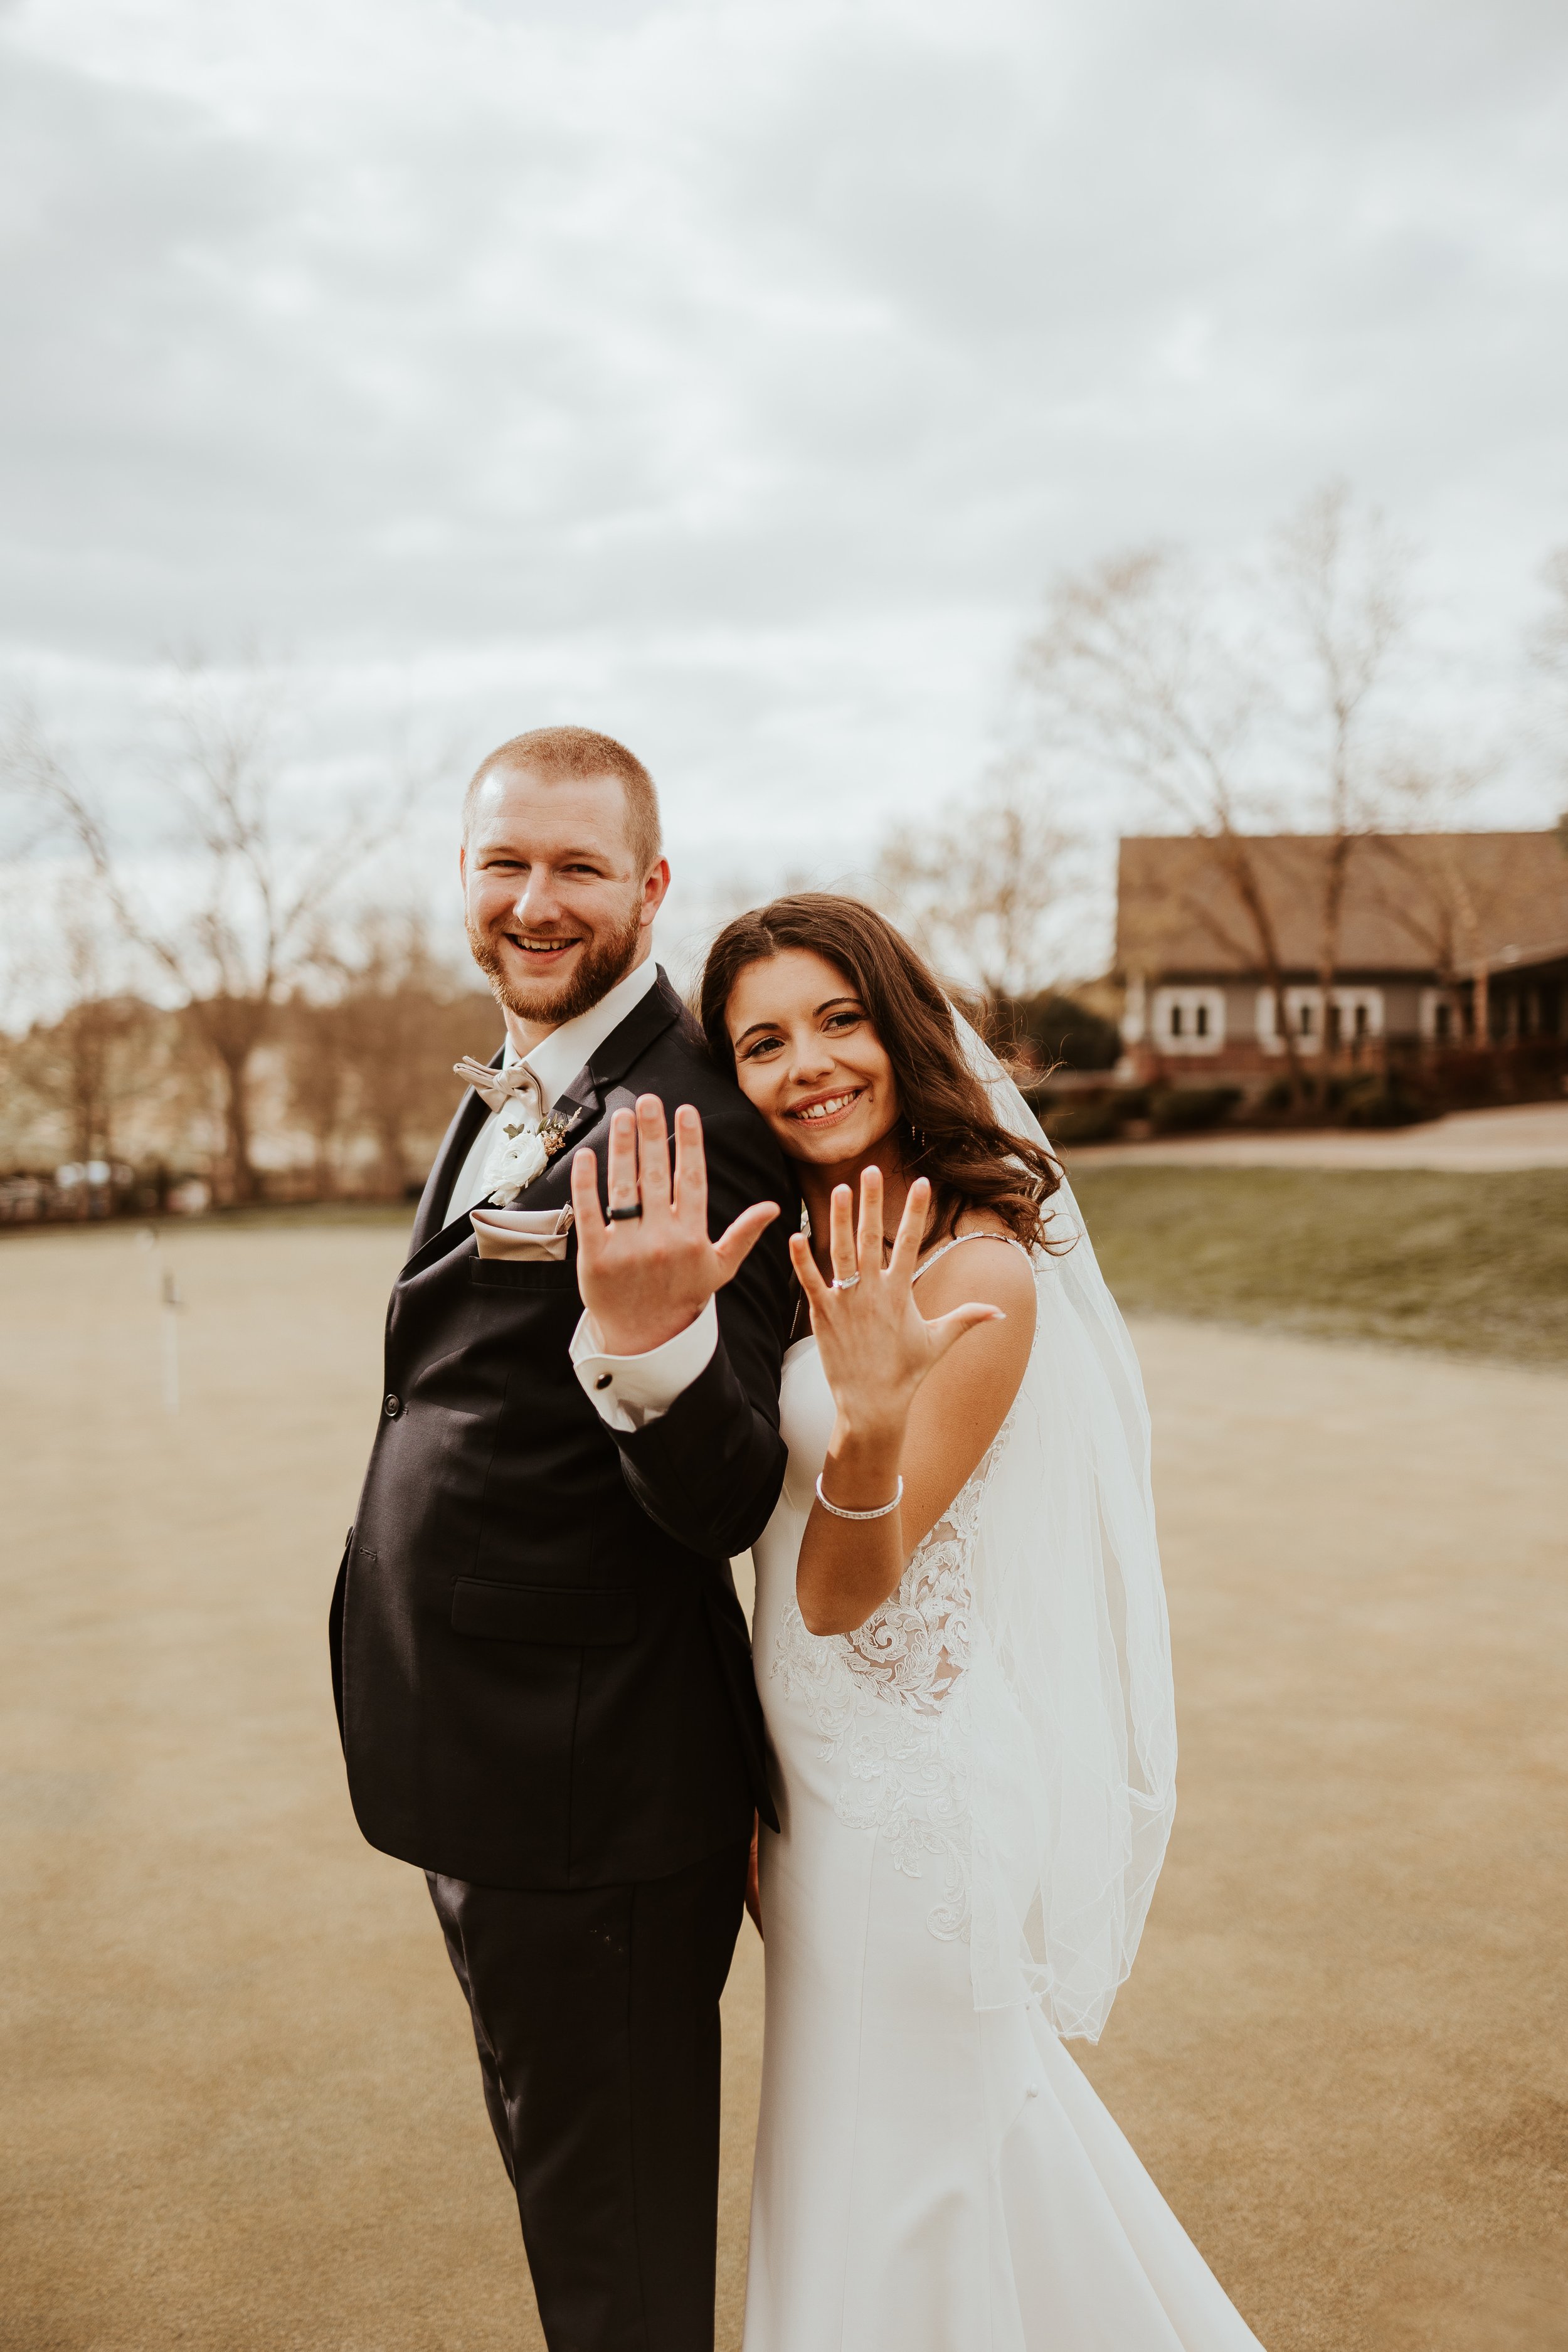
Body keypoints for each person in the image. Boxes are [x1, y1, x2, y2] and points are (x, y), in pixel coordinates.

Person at [600, 890, 1266, 2349]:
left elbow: (843, 1595)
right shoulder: (811, 1250)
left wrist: (875, 1419)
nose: (804, 1065)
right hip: (822, 1796)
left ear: (901, 1030)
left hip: (911, 1818)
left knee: (911, 2178)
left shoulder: (978, 1272)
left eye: (837, 1020)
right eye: (760, 1040)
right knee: (896, 2160)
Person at [329, 726, 795, 2352]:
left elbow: (730, 1488)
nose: (536, 900)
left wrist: (656, 1349)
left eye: (580, 865)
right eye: (503, 861)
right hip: (493, 1768)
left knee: (620, 2265)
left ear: (653, 884)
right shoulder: (520, 1073)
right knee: (566, 2203)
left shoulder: (696, 1117)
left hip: (595, 1792)